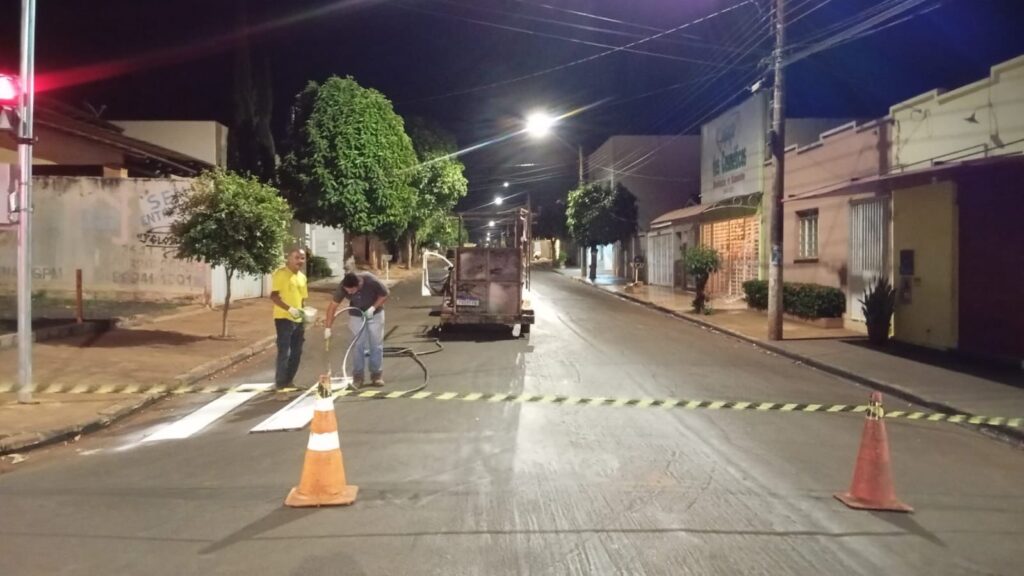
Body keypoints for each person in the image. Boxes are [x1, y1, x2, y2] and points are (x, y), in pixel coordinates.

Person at [324, 271, 389, 389]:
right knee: (357, 344)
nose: (349, 293)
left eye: (351, 291)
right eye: (347, 291)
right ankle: (358, 377)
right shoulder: (343, 286)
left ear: (359, 284)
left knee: (376, 344)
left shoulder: (371, 280)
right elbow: (333, 306)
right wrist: (328, 328)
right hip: (356, 314)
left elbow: (384, 294)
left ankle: (376, 375)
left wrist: (373, 308)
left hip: (375, 313)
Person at [270, 247, 308, 390]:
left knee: (297, 352)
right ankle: (280, 383)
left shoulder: (302, 277)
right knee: (284, 351)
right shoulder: (281, 274)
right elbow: (274, 296)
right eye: (297, 257)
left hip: (298, 319)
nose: (300, 261)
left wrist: (305, 315)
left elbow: (302, 299)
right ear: (289, 259)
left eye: (302, 258)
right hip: (284, 318)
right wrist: (290, 309)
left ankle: (289, 380)